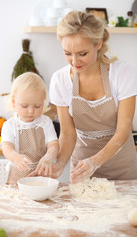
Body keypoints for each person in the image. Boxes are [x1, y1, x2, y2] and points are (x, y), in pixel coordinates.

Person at [49, 11, 137, 183]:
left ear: (98, 43)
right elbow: (67, 134)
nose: (75, 61)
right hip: (82, 170)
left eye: (82, 54)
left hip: (122, 169)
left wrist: (95, 162)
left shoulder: (122, 73)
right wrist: (58, 164)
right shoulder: (60, 80)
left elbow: (123, 131)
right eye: (67, 53)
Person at [1, 72, 59, 184]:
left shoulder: (46, 122)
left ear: (43, 101)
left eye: (37, 106)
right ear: (14, 102)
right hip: (17, 178)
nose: (31, 111)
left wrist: (48, 157)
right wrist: (15, 157)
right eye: (24, 106)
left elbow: (53, 145)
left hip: (41, 175)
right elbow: (7, 147)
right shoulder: (10, 125)